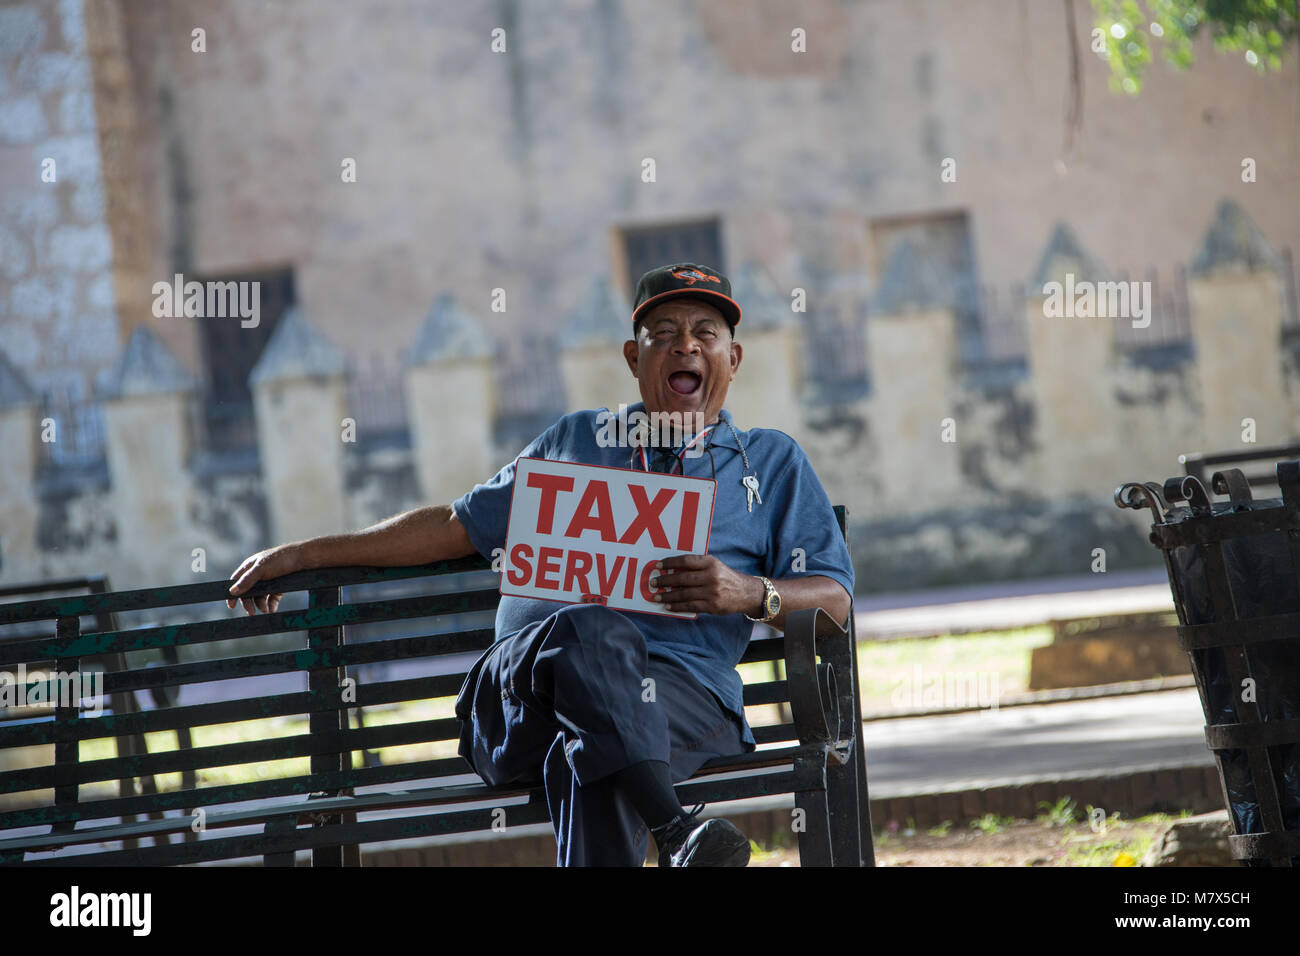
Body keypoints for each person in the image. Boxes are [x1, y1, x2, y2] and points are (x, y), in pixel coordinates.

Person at [227, 262, 855, 866]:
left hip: (678, 699)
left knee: (591, 757)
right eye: (662, 335)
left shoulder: (769, 464)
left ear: (733, 360)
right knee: (592, 630)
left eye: (703, 335)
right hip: (519, 700)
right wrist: (303, 553)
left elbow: (834, 601)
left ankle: (672, 823)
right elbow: (453, 526)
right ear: (634, 359)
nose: (684, 347)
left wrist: (751, 592)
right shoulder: (577, 441)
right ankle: (677, 827)